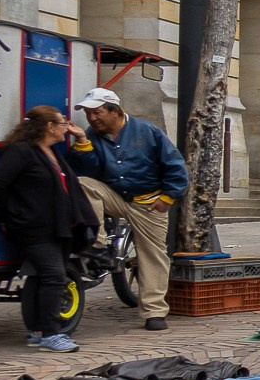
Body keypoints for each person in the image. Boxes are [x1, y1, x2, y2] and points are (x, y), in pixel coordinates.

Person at [66, 86, 188, 329]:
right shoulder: (92, 135)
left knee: (152, 255)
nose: (92, 118)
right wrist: (81, 143)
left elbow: (175, 166)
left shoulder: (147, 131)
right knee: (83, 185)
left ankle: (154, 312)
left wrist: (168, 197)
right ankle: (97, 244)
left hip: (148, 202)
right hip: (117, 195)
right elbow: (88, 172)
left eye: (97, 112)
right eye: (89, 113)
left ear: (115, 111)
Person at [0, 105, 98, 351]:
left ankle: (37, 332)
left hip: (59, 227)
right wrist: (9, 218)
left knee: (39, 277)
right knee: (54, 276)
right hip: (34, 228)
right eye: (61, 123)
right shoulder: (20, 152)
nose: (65, 128)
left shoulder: (51, 152)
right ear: (49, 127)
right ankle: (51, 334)